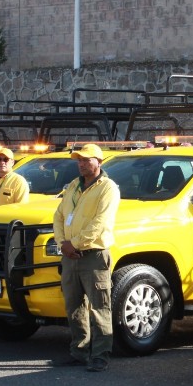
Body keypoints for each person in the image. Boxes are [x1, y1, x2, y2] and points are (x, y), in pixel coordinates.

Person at [52, 143, 120, 372]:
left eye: (86, 160)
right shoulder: (74, 185)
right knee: (74, 305)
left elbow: (100, 222)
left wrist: (75, 243)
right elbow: (59, 215)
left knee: (100, 306)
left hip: (94, 255)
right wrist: (63, 243)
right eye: (79, 160)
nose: (81, 164)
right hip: (70, 255)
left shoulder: (107, 188)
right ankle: (79, 350)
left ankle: (101, 354)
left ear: (98, 162)